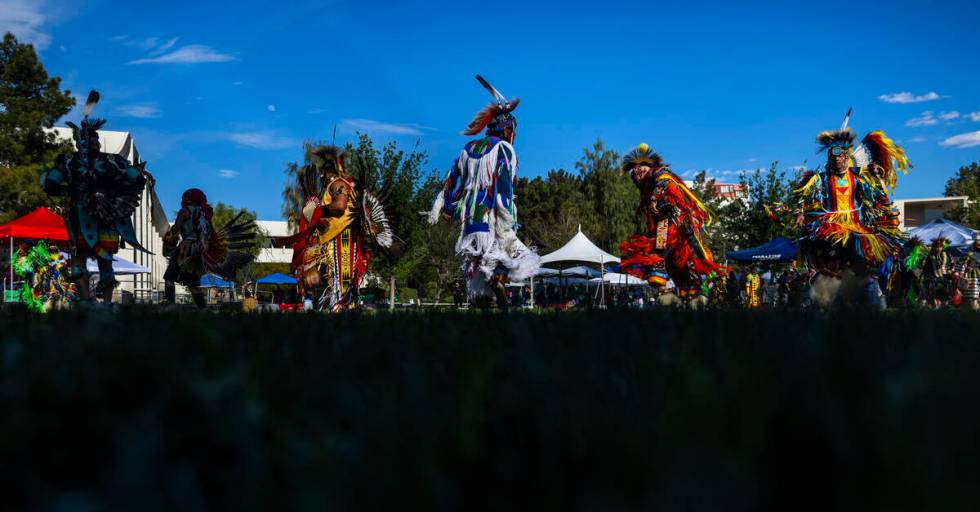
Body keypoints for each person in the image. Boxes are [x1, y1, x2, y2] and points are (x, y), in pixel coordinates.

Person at [428, 75, 540, 306]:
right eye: (513, 132)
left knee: (481, 263)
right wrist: (506, 220)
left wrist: (447, 207)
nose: (514, 137)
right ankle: (499, 289)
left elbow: (453, 179)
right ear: (508, 130)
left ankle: (490, 300)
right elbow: (503, 187)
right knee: (522, 257)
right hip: (492, 217)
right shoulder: (504, 149)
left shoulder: (468, 148)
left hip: (470, 221)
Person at [40, 90, 148, 303]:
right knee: (105, 261)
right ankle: (106, 304)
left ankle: (86, 300)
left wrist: (69, 192)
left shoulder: (69, 161)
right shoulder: (114, 161)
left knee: (79, 259)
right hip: (108, 217)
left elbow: (51, 184)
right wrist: (119, 192)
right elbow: (138, 179)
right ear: (96, 141)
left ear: (78, 142)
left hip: (81, 217)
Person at [792, 111, 909, 305]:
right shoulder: (820, 178)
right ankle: (822, 295)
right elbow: (803, 194)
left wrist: (878, 178)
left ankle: (866, 294)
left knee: (858, 259)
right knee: (829, 258)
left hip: (856, 225)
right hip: (830, 225)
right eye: (833, 157)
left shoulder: (858, 177)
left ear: (847, 157)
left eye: (840, 156)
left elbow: (878, 196)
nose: (837, 160)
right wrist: (800, 213)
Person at [273, 145, 404, 311]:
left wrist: (320, 210)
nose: (321, 177)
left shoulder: (337, 183)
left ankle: (340, 309)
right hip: (347, 238)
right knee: (340, 281)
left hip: (343, 239)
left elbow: (340, 206)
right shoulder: (349, 183)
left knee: (340, 282)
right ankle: (342, 307)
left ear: (328, 172)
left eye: (323, 173)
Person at [618, 143, 726, 303]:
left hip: (680, 221)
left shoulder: (658, 173)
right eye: (634, 175)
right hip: (666, 223)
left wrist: (655, 199)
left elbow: (666, 179)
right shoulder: (647, 187)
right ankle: (685, 290)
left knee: (696, 254)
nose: (636, 176)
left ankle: (711, 282)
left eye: (637, 171)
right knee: (670, 259)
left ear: (644, 167)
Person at [163, 188, 258, 308]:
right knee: (192, 284)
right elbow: (211, 234)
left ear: (190, 198)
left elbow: (175, 229)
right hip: (200, 252)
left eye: (185, 197)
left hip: (186, 249)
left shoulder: (184, 211)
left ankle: (169, 306)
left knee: (169, 277)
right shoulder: (205, 215)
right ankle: (203, 309)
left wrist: (169, 236)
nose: (182, 199)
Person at [953, 233, 980, 310]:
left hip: (976, 277)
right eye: (977, 244)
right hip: (972, 278)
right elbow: (960, 264)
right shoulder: (969, 254)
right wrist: (960, 273)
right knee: (972, 298)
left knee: (975, 298)